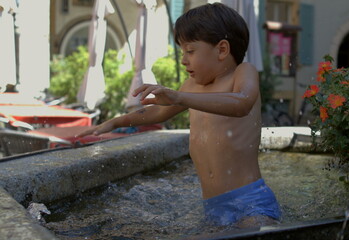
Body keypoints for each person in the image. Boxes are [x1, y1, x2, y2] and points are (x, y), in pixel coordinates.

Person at [77, 2, 281, 228]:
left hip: (250, 203)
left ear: (222, 50)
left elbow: (242, 103)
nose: (184, 59)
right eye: (183, 51)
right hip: (213, 207)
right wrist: (115, 122)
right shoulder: (191, 86)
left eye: (191, 51)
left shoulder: (242, 73)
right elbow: (160, 112)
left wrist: (179, 98)